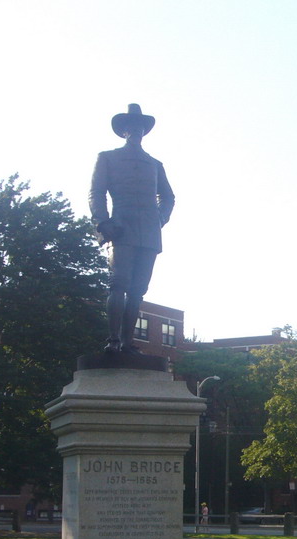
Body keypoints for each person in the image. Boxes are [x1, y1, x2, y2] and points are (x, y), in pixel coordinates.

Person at [89, 104, 175, 353]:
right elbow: (96, 191)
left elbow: (168, 196)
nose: (136, 130)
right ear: (124, 131)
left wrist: (160, 218)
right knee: (118, 283)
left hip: (149, 231)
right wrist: (102, 221)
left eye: (140, 126)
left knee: (138, 290)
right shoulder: (108, 157)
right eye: (131, 126)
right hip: (121, 228)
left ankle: (128, 342)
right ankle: (113, 340)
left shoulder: (155, 164)